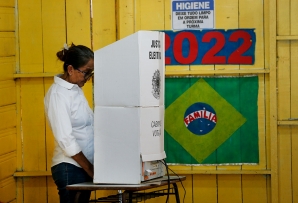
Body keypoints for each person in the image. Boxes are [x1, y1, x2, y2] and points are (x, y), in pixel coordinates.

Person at [44, 43, 94, 203]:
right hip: (70, 167)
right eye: (86, 73)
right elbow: (66, 139)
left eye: (91, 73)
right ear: (70, 69)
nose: (88, 78)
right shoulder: (58, 95)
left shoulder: (75, 89)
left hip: (82, 167)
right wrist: (89, 168)